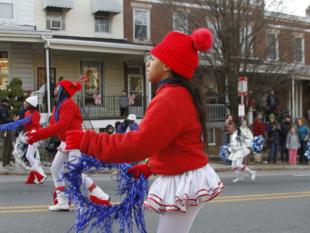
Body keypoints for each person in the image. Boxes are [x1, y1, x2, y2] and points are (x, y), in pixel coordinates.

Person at [65, 28, 223, 233]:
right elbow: (172, 144)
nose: (148, 63)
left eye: (153, 58)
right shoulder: (179, 94)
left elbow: (138, 144)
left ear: (167, 65)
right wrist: (150, 166)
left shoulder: (170, 99)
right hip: (184, 174)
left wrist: (87, 141)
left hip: (184, 179)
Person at [26, 80, 110, 211]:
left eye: (58, 86)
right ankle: (63, 201)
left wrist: (38, 134)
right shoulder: (59, 105)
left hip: (75, 140)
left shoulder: (68, 104)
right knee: (55, 169)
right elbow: (53, 126)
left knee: (74, 172)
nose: (55, 88)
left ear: (63, 90)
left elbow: (61, 125)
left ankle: (100, 195)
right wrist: (37, 133)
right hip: (66, 141)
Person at [21, 96, 47, 184]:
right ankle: (37, 175)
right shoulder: (27, 113)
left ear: (31, 105)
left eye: (26, 103)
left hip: (35, 136)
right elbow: (26, 125)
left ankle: (40, 174)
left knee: (29, 155)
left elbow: (35, 126)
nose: (24, 104)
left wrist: (31, 134)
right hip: (30, 136)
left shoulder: (35, 114)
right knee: (33, 156)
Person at [0, 98, 14, 169]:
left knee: (9, 146)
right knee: (6, 146)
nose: (8, 103)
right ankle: (5, 163)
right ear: (4, 102)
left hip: (7, 128)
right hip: (6, 128)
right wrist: (12, 121)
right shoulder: (3, 109)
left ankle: (7, 162)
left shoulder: (4, 108)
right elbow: (5, 119)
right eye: (7, 102)